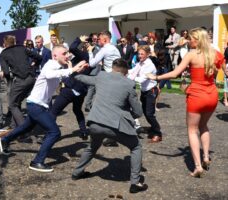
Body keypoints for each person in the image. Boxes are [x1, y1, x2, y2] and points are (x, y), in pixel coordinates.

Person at [147, 27, 225, 177]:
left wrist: (155, 77)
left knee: (192, 130)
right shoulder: (215, 54)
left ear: (197, 40)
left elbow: (175, 74)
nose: (188, 41)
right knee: (204, 126)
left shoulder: (191, 55)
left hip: (196, 95)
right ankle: (206, 157)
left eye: (191, 39)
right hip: (212, 95)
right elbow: (218, 72)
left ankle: (197, 167)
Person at [0, 45, 88, 172]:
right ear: (55, 55)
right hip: (35, 105)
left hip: (38, 105)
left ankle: (5, 139)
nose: (67, 55)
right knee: (55, 132)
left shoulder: (59, 67)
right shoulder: (50, 65)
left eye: (67, 53)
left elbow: (63, 77)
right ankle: (37, 161)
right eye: (64, 53)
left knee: (26, 127)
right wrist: (72, 69)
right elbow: (50, 74)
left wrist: (76, 69)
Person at [72, 58, 147, 194]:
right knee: (136, 147)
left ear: (113, 68)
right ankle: (135, 183)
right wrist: (128, 115)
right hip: (115, 126)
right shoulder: (129, 84)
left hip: (95, 122)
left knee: (92, 147)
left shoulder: (101, 76)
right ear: (126, 71)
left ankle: (76, 173)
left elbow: (81, 78)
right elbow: (138, 112)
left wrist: (73, 70)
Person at [0, 35, 42, 128]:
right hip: (32, 78)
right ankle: (13, 125)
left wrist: (7, 78)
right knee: (16, 101)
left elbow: (6, 72)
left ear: (5, 43)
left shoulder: (3, 53)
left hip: (20, 80)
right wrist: (33, 67)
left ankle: (23, 129)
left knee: (12, 104)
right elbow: (39, 57)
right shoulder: (22, 48)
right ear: (14, 42)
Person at [128, 45, 162, 143]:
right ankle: (153, 127)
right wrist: (124, 71)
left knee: (149, 114)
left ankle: (158, 134)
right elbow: (133, 71)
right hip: (144, 91)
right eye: (138, 53)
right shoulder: (141, 63)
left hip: (151, 91)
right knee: (146, 112)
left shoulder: (149, 65)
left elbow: (141, 80)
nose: (139, 56)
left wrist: (129, 77)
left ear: (147, 54)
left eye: (142, 54)